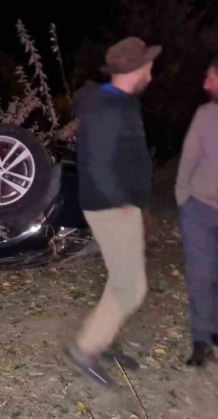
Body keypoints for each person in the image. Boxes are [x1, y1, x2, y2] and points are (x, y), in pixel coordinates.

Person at [64, 36, 161, 385]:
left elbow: (126, 156)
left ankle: (102, 339)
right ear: (137, 68)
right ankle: (85, 348)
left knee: (122, 280)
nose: (153, 69)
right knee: (131, 287)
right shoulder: (108, 107)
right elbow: (100, 163)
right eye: (149, 63)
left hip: (119, 204)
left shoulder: (119, 102)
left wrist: (138, 201)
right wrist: (122, 203)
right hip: (111, 207)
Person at [175, 54, 218, 367]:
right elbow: (188, 159)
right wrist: (183, 200)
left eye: (211, 78)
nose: (205, 85)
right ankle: (201, 339)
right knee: (201, 276)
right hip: (200, 208)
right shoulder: (205, 115)